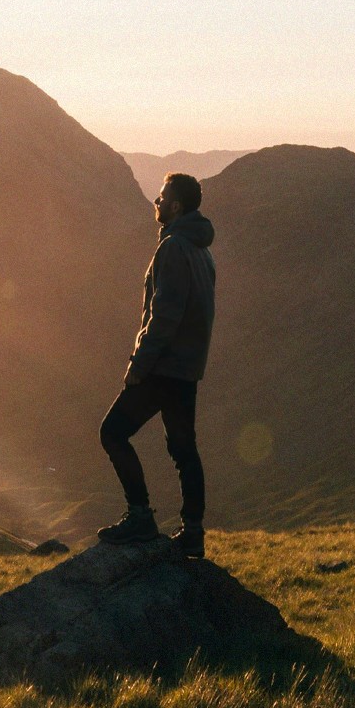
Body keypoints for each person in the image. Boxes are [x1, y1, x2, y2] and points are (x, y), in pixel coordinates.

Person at [97, 171, 215, 557]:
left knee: (113, 432)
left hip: (163, 366)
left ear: (176, 205)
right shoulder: (202, 251)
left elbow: (163, 316)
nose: (157, 202)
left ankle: (140, 516)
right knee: (184, 449)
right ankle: (193, 532)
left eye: (162, 197)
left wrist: (138, 365)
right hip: (186, 370)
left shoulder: (173, 248)